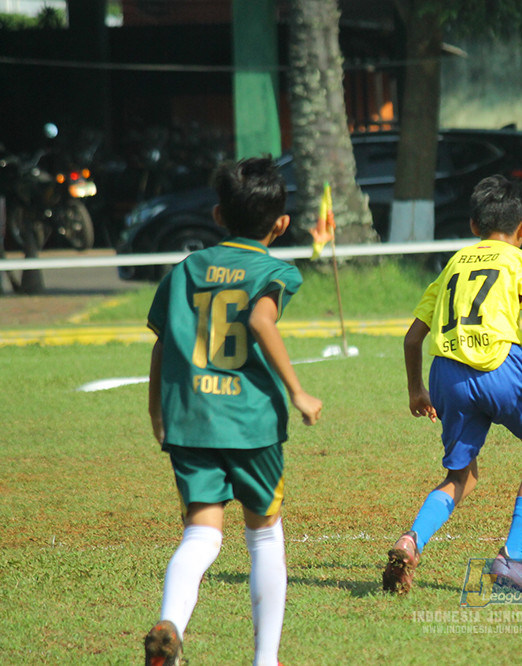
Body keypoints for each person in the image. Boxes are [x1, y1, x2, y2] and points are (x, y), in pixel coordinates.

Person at [143, 156, 323, 666]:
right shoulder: (273, 269)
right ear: (282, 223)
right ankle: (266, 659)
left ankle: (171, 625)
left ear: (218, 215)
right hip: (251, 423)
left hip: (191, 420)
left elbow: (161, 346)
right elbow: (262, 321)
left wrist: (157, 413)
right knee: (264, 534)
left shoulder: (183, 272)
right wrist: (298, 392)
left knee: (200, 533)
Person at [382, 174, 522, 595]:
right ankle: (512, 559)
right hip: (499, 367)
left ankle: (411, 540)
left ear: (473, 226)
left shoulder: (453, 265)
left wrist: (416, 389)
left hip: (446, 373)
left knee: (461, 474)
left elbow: (413, 337)